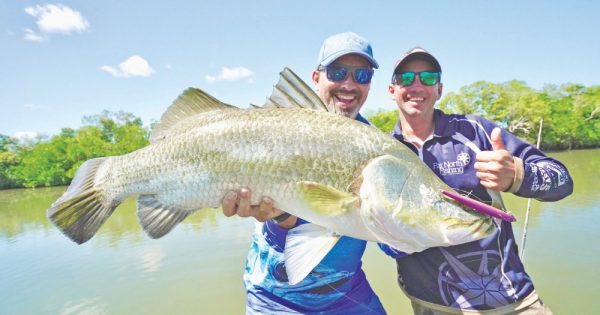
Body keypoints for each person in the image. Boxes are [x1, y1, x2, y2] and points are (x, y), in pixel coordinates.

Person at [381, 47, 573, 314]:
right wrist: (387, 237)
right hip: (430, 305)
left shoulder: (476, 132)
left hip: (511, 302)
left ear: (439, 89)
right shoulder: (383, 151)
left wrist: (517, 175)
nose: (416, 85)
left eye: (427, 77)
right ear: (392, 90)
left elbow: (563, 181)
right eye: (405, 78)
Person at [221, 32, 387, 314]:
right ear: (316, 77)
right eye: (337, 72)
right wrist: (282, 217)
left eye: (361, 74)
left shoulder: (376, 146)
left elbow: (391, 236)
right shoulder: (277, 129)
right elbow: (276, 231)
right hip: (275, 296)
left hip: (347, 292)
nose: (349, 84)